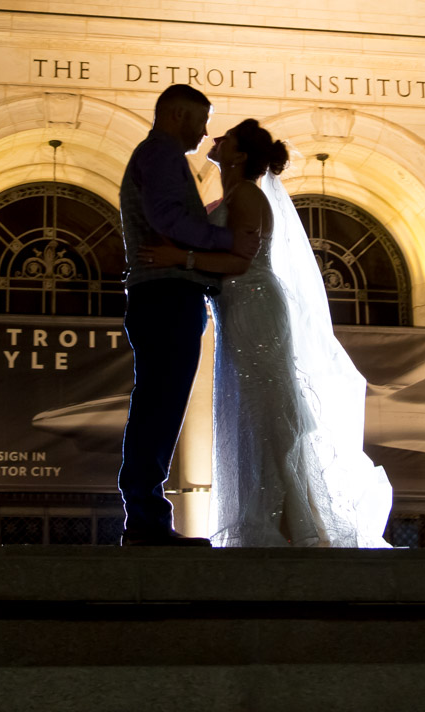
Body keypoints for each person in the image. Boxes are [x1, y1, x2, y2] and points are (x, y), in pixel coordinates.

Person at [140, 118, 392, 547]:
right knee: (250, 411)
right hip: (235, 309)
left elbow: (240, 261)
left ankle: (290, 524)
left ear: (239, 155)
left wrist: (180, 259)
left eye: (227, 137)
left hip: (254, 307)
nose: (216, 139)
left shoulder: (249, 196)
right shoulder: (233, 195)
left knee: (267, 408)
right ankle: (281, 520)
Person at [118, 84, 258, 547]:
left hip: (164, 293)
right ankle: (145, 518)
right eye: (201, 120)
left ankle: (146, 515)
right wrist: (226, 243)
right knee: (159, 405)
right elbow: (169, 220)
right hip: (164, 293)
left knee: (159, 404)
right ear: (177, 114)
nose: (204, 133)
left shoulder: (160, 155)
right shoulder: (160, 155)